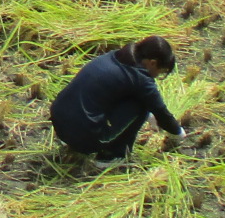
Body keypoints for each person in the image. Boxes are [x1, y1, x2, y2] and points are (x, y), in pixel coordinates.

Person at [49, 36, 184, 162]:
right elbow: (160, 111)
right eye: (160, 73)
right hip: (84, 137)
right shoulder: (141, 78)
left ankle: (71, 141)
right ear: (153, 63)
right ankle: (111, 155)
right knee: (142, 103)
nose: (156, 77)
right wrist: (178, 133)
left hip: (60, 123)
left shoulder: (114, 56)